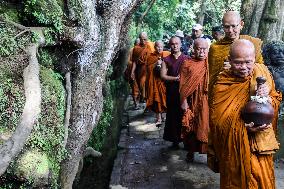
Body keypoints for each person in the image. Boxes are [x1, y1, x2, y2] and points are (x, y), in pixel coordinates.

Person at [208, 39, 282, 188]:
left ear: (254, 58)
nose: (243, 67)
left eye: (248, 62)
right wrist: (243, 127)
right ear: (229, 60)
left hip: (260, 146)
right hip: (235, 149)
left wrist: (267, 97)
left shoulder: (263, 72)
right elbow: (218, 121)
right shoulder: (223, 83)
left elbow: (275, 100)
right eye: (238, 63)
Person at [208, 10, 264, 102]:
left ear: (241, 24)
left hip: (246, 94)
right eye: (226, 27)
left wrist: (236, 67)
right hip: (223, 95)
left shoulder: (253, 44)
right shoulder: (216, 48)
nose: (230, 30)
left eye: (234, 26)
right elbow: (211, 78)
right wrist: (224, 70)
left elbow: (261, 70)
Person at [179, 38, 209, 162]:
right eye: (198, 49)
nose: (201, 52)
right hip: (192, 100)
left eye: (204, 49)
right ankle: (190, 152)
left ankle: (209, 154)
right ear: (194, 49)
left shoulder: (210, 63)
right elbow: (182, 85)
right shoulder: (187, 63)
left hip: (206, 100)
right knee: (191, 126)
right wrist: (183, 101)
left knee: (206, 126)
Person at [161, 36, 188, 148]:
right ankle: (175, 140)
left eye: (177, 43)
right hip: (172, 91)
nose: (175, 46)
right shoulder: (166, 60)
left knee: (185, 114)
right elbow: (163, 76)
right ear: (170, 45)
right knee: (173, 116)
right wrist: (176, 79)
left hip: (184, 91)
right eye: (172, 44)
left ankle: (186, 140)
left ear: (181, 44)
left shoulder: (187, 58)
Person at [145, 41, 171, 126]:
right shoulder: (151, 57)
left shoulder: (167, 55)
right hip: (155, 82)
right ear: (155, 47)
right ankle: (159, 118)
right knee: (157, 100)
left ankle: (164, 116)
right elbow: (148, 69)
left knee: (165, 99)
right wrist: (156, 63)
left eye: (161, 47)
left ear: (163, 47)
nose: (159, 48)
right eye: (157, 47)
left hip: (164, 82)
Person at [131, 32, 155, 103]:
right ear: (139, 39)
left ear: (147, 39)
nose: (143, 41)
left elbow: (153, 58)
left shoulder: (150, 47)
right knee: (140, 86)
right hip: (139, 70)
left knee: (146, 85)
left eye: (145, 39)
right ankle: (142, 98)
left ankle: (146, 100)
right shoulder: (136, 48)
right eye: (141, 39)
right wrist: (132, 71)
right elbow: (134, 61)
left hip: (148, 70)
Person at [124, 39, 140, 109]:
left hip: (140, 73)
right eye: (137, 44)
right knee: (135, 89)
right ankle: (136, 104)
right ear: (134, 44)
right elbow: (128, 62)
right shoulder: (131, 51)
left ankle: (139, 101)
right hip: (132, 72)